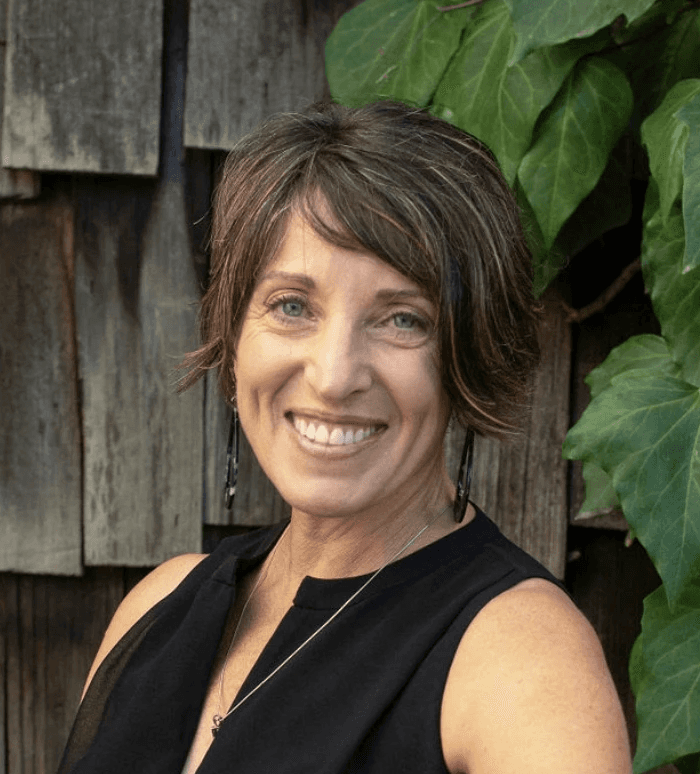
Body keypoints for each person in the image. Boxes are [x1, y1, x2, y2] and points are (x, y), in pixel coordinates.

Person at [58, 101, 632, 774]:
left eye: (402, 319)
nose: (334, 377)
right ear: (234, 334)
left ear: (469, 355)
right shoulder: (158, 608)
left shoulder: (520, 656)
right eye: (292, 306)